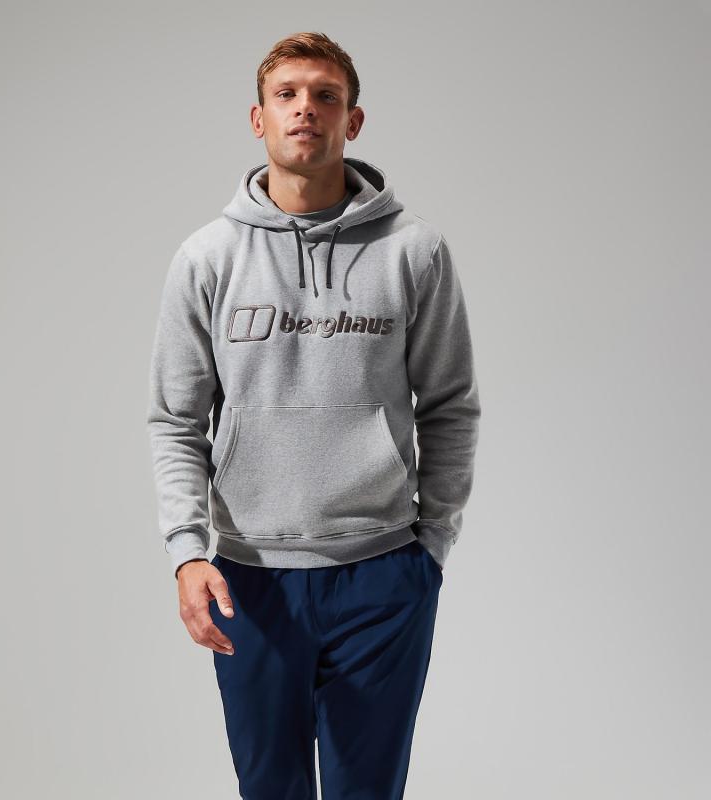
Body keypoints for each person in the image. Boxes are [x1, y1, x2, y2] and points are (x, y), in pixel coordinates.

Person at [146, 31, 481, 800]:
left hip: (384, 574)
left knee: (370, 792)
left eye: (326, 96)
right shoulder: (206, 259)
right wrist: (187, 552)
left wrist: (431, 544)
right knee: (271, 790)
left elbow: (450, 405)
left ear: (352, 120)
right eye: (287, 94)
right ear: (258, 118)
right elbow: (175, 420)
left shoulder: (415, 253)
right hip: (251, 577)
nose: (306, 109)